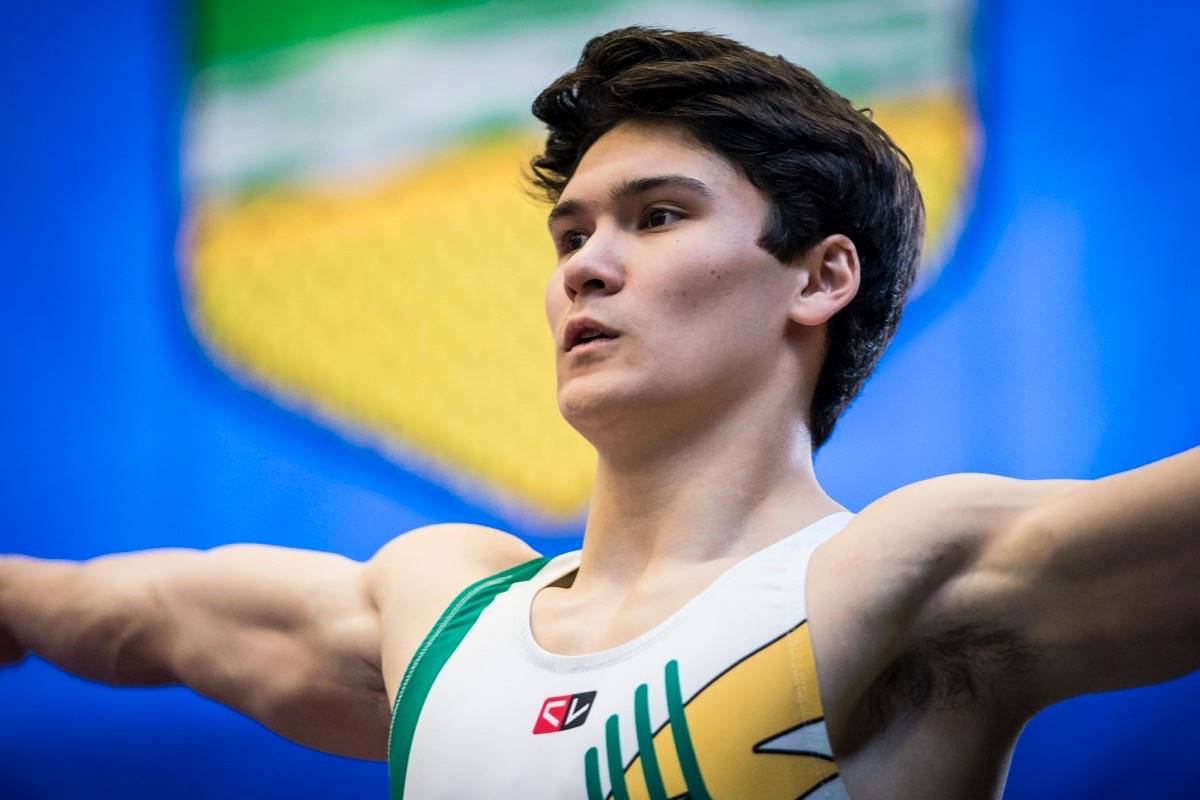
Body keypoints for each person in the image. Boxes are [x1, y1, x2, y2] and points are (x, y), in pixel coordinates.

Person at [1, 25, 1196, 799]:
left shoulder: (909, 577)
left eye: (657, 216)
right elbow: (127, 612)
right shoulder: (438, 614)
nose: (584, 264)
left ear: (821, 276)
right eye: (572, 232)